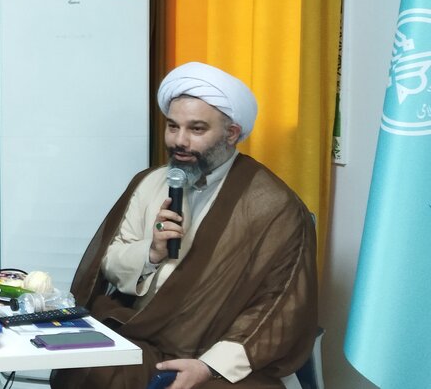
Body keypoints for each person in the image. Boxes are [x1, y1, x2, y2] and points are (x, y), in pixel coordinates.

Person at [52, 62, 318, 389]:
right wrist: (150, 254)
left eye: (197, 129)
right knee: (83, 367)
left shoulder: (273, 206)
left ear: (231, 134)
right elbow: (110, 264)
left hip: (218, 352)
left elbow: (279, 305)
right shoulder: (148, 183)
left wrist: (210, 366)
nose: (180, 141)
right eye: (172, 127)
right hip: (142, 333)